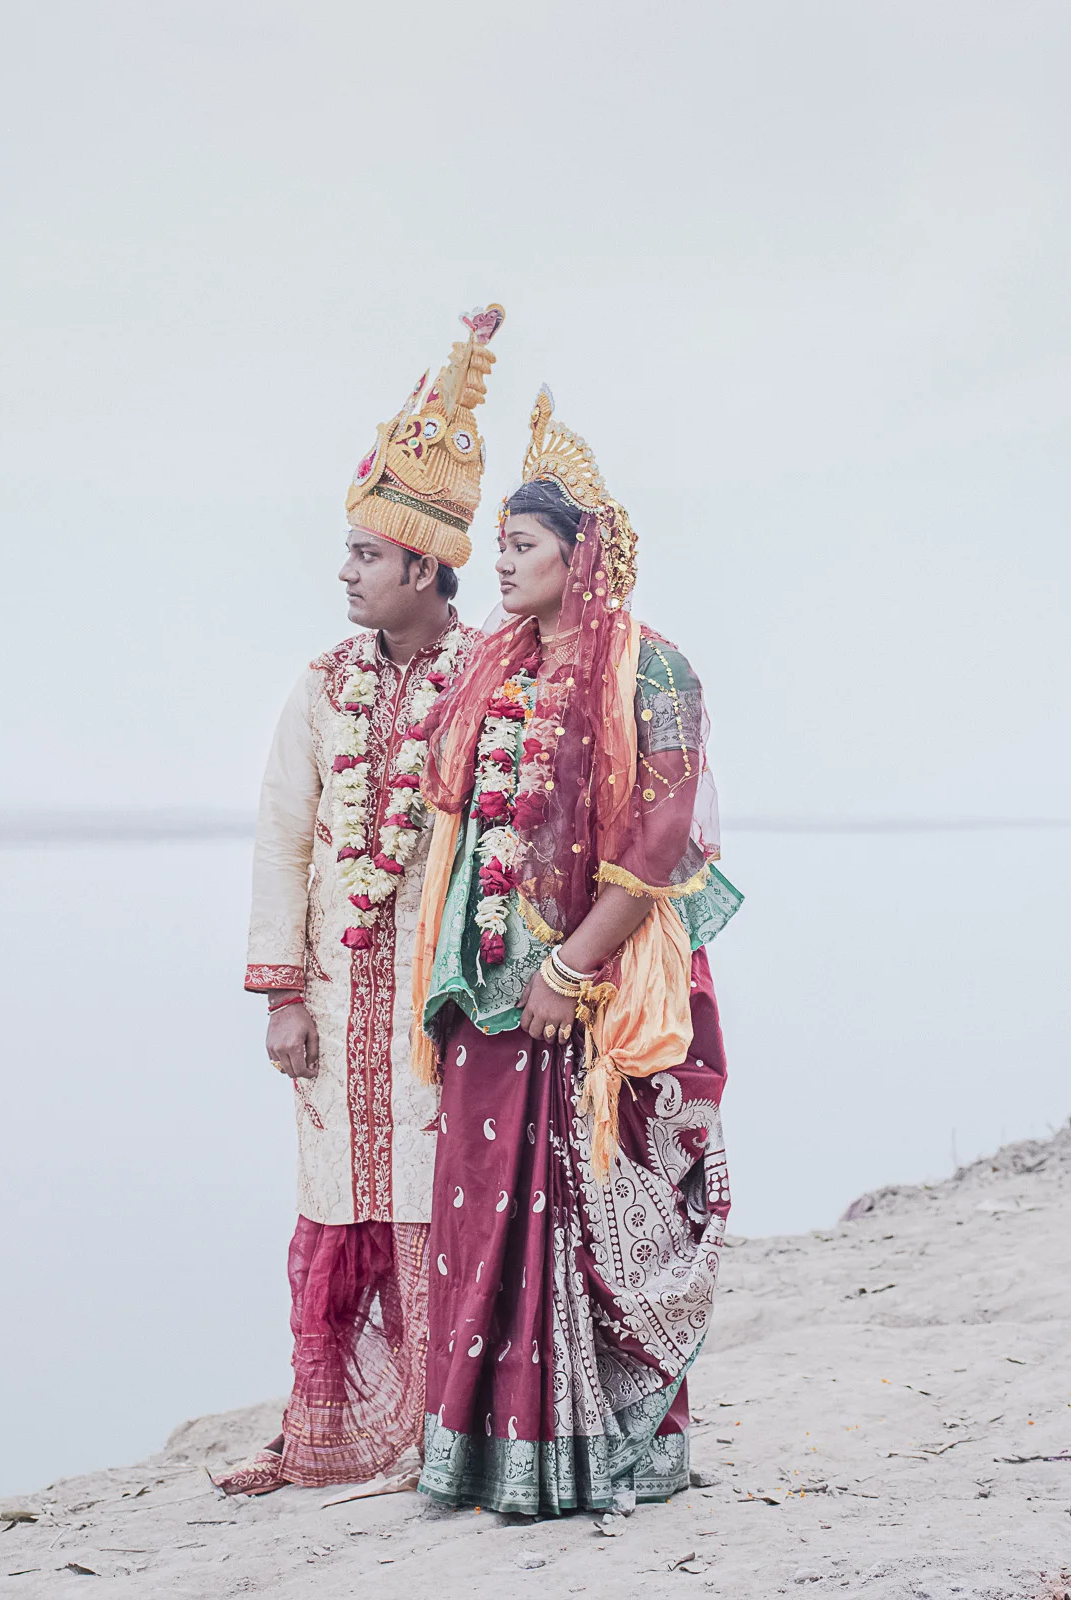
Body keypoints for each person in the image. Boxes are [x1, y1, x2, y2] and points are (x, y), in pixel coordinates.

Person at [407, 386, 743, 1516]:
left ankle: (605, 1451)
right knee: (476, 1212)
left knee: (600, 1207)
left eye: (520, 544)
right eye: (497, 544)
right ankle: (489, 1450)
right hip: (487, 996)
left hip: (595, 994)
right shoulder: (493, 668)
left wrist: (569, 968)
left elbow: (657, 833)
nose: (497, 565)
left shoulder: (652, 670)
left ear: (579, 552)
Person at [224, 306, 505, 1496]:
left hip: (444, 1014)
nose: (342, 573)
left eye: (361, 556)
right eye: (344, 554)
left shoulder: (489, 677)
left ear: (424, 569)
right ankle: (321, 1436)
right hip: (337, 1010)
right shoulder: (321, 687)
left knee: (443, 1211)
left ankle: (440, 1437)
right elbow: (283, 840)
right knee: (334, 1206)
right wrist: (281, 991)